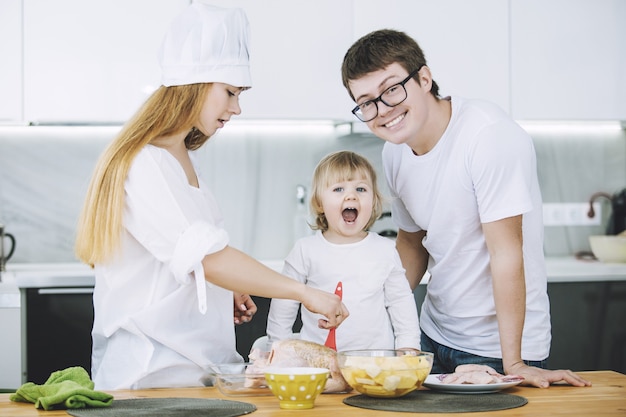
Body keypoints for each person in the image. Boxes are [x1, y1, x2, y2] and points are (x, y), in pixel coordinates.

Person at [74, 3, 347, 390]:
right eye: (230, 92)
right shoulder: (146, 163)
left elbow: (195, 256)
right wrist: (304, 292)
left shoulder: (183, 159)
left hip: (191, 372)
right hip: (150, 375)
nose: (236, 108)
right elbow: (207, 257)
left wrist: (226, 286)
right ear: (195, 86)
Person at [340, 29, 591, 389]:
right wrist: (371, 314)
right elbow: (411, 244)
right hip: (432, 336)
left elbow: (506, 253)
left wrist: (516, 361)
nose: (383, 110)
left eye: (392, 89)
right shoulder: (395, 151)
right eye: (367, 102)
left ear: (424, 79)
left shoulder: (487, 135)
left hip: (497, 348)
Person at [266, 151, 420, 351]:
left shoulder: (385, 249)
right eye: (338, 189)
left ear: (373, 202)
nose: (351, 195)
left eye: (361, 189)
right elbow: (283, 303)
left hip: (374, 366)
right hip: (318, 366)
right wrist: (276, 350)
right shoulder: (306, 250)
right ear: (320, 203)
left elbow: (401, 302)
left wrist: (408, 348)